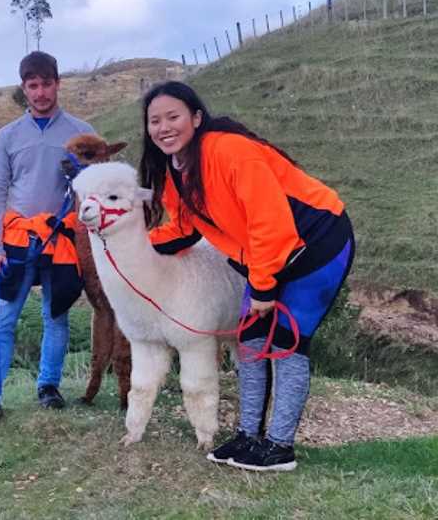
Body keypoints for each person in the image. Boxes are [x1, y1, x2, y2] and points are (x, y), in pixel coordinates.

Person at [140, 81, 355, 472]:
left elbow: (269, 223)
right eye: (155, 121)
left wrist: (262, 287)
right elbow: (186, 228)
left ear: (196, 118)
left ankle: (279, 447)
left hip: (318, 243)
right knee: (251, 341)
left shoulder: (231, 152)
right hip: (266, 255)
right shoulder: (176, 169)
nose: (163, 127)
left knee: (287, 343)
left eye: (173, 117)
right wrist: (135, 244)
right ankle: (248, 436)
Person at [0, 51, 95, 437]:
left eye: (47, 83)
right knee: (2, 319)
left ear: (57, 83)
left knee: (56, 315)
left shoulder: (82, 132)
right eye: (33, 85)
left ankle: (48, 387)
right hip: (17, 239)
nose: (41, 92)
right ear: (24, 88)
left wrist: (83, 173)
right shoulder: (8, 136)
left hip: (62, 237)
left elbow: (97, 187)